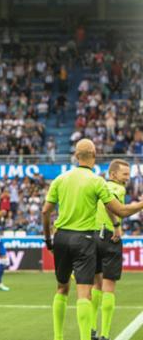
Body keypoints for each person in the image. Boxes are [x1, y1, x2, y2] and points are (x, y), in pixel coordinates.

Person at [41, 139, 143, 340]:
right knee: (84, 292)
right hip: (84, 238)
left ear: (75, 156)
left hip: (60, 236)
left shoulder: (60, 179)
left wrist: (48, 240)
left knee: (61, 288)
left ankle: (58, 337)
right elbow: (120, 210)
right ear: (94, 155)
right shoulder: (97, 181)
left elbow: (45, 212)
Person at [91, 159, 129, 340]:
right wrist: (116, 225)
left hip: (93, 237)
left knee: (95, 284)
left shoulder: (101, 185)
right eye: (124, 174)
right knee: (109, 286)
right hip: (109, 237)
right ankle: (104, 333)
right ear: (113, 174)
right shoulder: (118, 188)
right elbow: (110, 205)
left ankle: (91, 328)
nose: (127, 178)